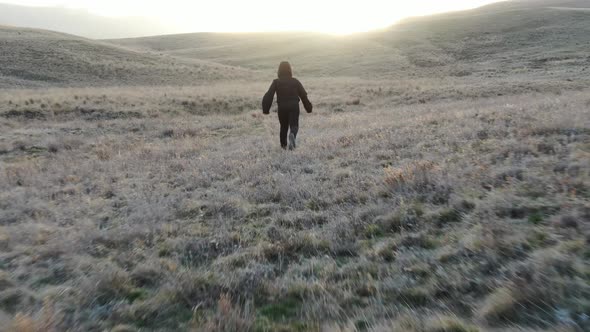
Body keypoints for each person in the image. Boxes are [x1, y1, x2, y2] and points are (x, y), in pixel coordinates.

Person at [262, 61, 313, 150]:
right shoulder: (295, 81)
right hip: (294, 106)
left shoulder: (276, 82)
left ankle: (283, 146)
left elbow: (269, 95)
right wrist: (308, 107)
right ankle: (292, 134)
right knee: (294, 125)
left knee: (283, 127)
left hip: (282, 107)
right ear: (290, 70)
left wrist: (266, 109)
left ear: (279, 71)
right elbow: (303, 95)